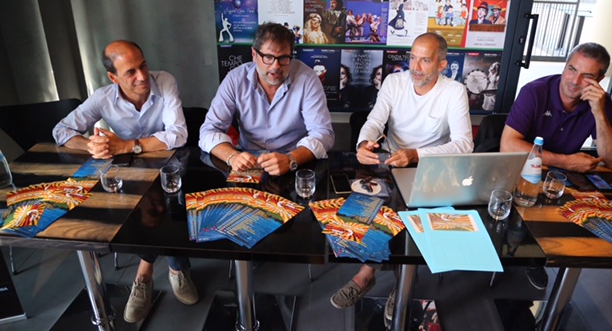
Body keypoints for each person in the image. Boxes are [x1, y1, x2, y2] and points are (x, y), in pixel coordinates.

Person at [331, 33, 473, 320]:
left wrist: (417, 154)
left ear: (442, 65)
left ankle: (394, 282)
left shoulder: (454, 91)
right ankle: (377, 275)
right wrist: (363, 143)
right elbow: (375, 120)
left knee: (412, 220)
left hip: (431, 168)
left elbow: (463, 145)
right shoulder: (394, 82)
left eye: (425, 60)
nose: (415, 68)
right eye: (412, 58)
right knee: (376, 211)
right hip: (391, 162)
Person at [52, 40, 196, 323]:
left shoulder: (164, 81)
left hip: (170, 169)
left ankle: (147, 272)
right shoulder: (103, 98)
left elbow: (178, 135)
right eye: (130, 72)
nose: (142, 76)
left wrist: (127, 145)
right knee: (137, 209)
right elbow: (61, 130)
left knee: (166, 205)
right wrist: (91, 145)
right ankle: (176, 267)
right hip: (130, 175)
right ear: (113, 77)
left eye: (143, 65)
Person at [199, 22, 334, 176]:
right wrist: (232, 156)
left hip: (294, 162)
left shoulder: (307, 79)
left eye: (283, 58)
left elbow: (323, 134)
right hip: (247, 162)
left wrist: (290, 159)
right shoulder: (235, 79)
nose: (275, 66)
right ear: (254, 54)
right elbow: (208, 131)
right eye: (268, 57)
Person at [501, 42, 612, 173]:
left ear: (599, 79)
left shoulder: (599, 101)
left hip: (562, 177)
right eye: (572, 69)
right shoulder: (534, 92)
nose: (575, 81)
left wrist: (599, 114)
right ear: (565, 66)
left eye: (587, 76)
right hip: (523, 170)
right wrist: (566, 162)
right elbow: (507, 146)